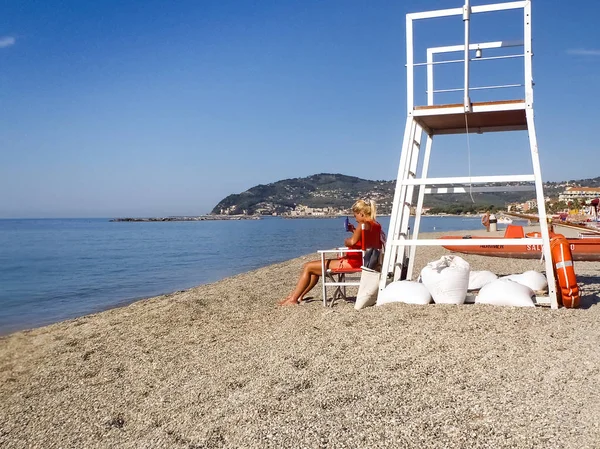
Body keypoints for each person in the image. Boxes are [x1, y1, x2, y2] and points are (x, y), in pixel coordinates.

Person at [278, 199, 383, 306]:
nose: (355, 219)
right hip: (365, 261)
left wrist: (346, 241)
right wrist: (353, 231)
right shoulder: (376, 225)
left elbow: (352, 242)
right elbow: (365, 241)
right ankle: (298, 296)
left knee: (308, 267)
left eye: (355, 216)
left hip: (352, 262)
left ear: (361, 213)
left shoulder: (362, 224)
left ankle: (293, 299)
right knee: (314, 270)